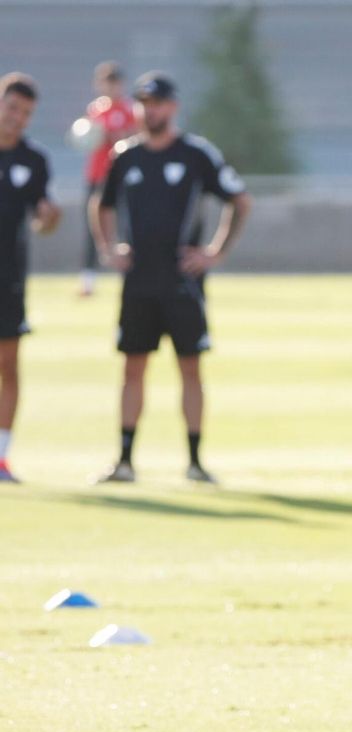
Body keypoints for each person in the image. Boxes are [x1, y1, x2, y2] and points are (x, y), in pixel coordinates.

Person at [92, 72, 251, 485]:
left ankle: (195, 462)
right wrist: (109, 248)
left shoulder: (197, 154)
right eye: (144, 103)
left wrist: (215, 251)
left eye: (158, 103)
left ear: (173, 107)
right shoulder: (125, 155)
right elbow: (102, 204)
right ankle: (124, 461)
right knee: (133, 367)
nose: (151, 111)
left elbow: (240, 199)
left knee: (190, 368)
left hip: (183, 282)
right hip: (139, 281)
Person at [0, 73, 62, 484]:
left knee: (8, 364)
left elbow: (42, 220)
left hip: (9, 278)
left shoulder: (34, 160)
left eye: (25, 113)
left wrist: (49, 219)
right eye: (12, 108)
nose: (17, 118)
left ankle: (1, 457)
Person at [79, 62, 137, 298]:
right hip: (96, 176)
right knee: (91, 228)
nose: (111, 88)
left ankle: (128, 276)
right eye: (106, 83)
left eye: (115, 83)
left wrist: (114, 136)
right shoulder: (95, 110)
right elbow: (86, 140)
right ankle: (87, 281)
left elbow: (135, 137)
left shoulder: (130, 110)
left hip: (120, 178)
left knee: (125, 228)